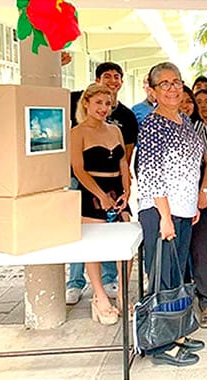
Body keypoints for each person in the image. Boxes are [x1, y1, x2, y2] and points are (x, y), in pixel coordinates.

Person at [138, 62, 205, 366]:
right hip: (159, 212)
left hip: (182, 209)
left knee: (177, 274)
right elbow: (152, 174)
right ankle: (160, 344)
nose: (172, 88)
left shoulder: (185, 120)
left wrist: (190, 206)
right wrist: (165, 216)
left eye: (176, 82)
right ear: (151, 90)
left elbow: (192, 169)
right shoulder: (152, 124)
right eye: (164, 83)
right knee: (162, 275)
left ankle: (175, 330)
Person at [66, 62, 139, 306]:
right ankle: (99, 296)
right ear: (86, 103)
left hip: (117, 191)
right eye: (98, 103)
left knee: (125, 243)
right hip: (90, 191)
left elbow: (124, 164)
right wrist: (100, 195)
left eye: (107, 104)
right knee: (92, 246)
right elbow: (78, 169)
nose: (104, 108)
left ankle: (121, 292)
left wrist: (127, 191)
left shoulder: (115, 130)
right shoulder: (77, 132)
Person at [179, 85, 207, 328]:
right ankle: (180, 303)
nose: (185, 106)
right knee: (178, 252)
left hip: (198, 199)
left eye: (188, 102)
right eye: (181, 102)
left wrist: (203, 191)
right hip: (172, 203)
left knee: (201, 250)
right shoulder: (164, 127)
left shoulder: (200, 127)